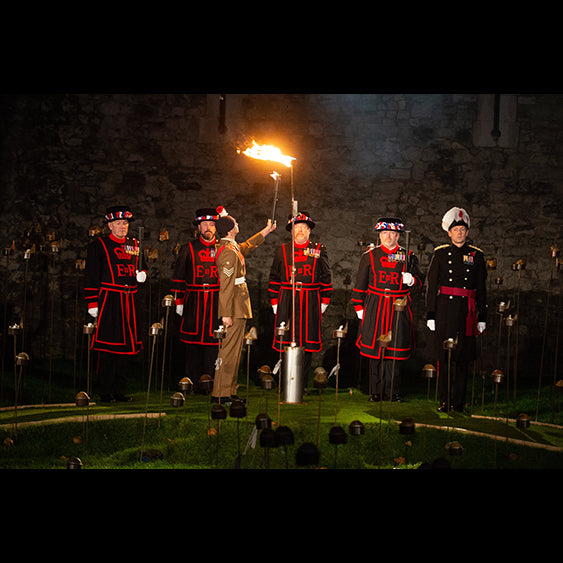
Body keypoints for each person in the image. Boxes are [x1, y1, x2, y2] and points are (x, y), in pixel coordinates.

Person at [351, 217, 424, 402]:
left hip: (398, 306)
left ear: (398, 235)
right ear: (379, 235)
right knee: (375, 350)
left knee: (394, 351)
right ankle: (375, 391)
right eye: (384, 233)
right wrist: (359, 306)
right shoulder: (369, 256)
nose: (388, 237)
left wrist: (412, 280)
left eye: (392, 233)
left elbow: (420, 283)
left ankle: (392, 391)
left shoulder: (408, 256)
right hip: (375, 305)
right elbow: (360, 283)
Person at [211, 206, 277, 405]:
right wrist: (226, 313)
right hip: (233, 308)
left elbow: (247, 245)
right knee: (228, 351)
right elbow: (226, 284)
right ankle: (221, 394)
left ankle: (229, 391)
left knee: (234, 351)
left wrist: (265, 231)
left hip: (238, 305)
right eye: (236, 223)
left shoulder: (231, 247)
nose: (238, 225)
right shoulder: (228, 253)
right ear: (231, 229)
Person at [425, 207, 487, 413]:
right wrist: (431, 314)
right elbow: (431, 286)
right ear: (449, 233)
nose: (459, 233)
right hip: (444, 311)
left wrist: (482, 316)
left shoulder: (476, 256)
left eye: (462, 229)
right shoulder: (440, 254)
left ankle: (459, 402)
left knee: (462, 358)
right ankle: (444, 401)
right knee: (444, 358)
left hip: (466, 313)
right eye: (455, 230)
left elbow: (481, 288)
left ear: (467, 232)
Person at [84, 205, 147, 402]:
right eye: (118, 223)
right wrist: (92, 302)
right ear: (109, 225)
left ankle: (119, 390)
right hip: (108, 301)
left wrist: (143, 274)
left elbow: (142, 266)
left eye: (125, 223)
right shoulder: (99, 246)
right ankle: (104, 391)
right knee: (107, 347)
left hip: (129, 300)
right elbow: (91, 276)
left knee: (125, 348)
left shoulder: (134, 244)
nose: (123, 227)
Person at [268, 211, 332, 387]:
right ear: (291, 231)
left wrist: (324, 300)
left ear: (309, 230)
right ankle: (285, 381)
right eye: (297, 227)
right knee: (286, 339)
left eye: (304, 227)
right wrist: (274, 301)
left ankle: (301, 383)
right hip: (287, 300)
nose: (301, 231)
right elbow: (274, 277)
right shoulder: (282, 250)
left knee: (307, 343)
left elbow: (326, 276)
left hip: (311, 300)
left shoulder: (319, 249)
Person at [171, 208, 220, 393]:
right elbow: (179, 277)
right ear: (199, 227)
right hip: (193, 301)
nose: (208, 228)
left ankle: (209, 385)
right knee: (192, 345)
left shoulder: (223, 248)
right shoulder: (188, 248)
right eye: (205, 224)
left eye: (212, 224)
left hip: (215, 301)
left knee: (213, 345)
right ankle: (190, 382)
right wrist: (179, 302)